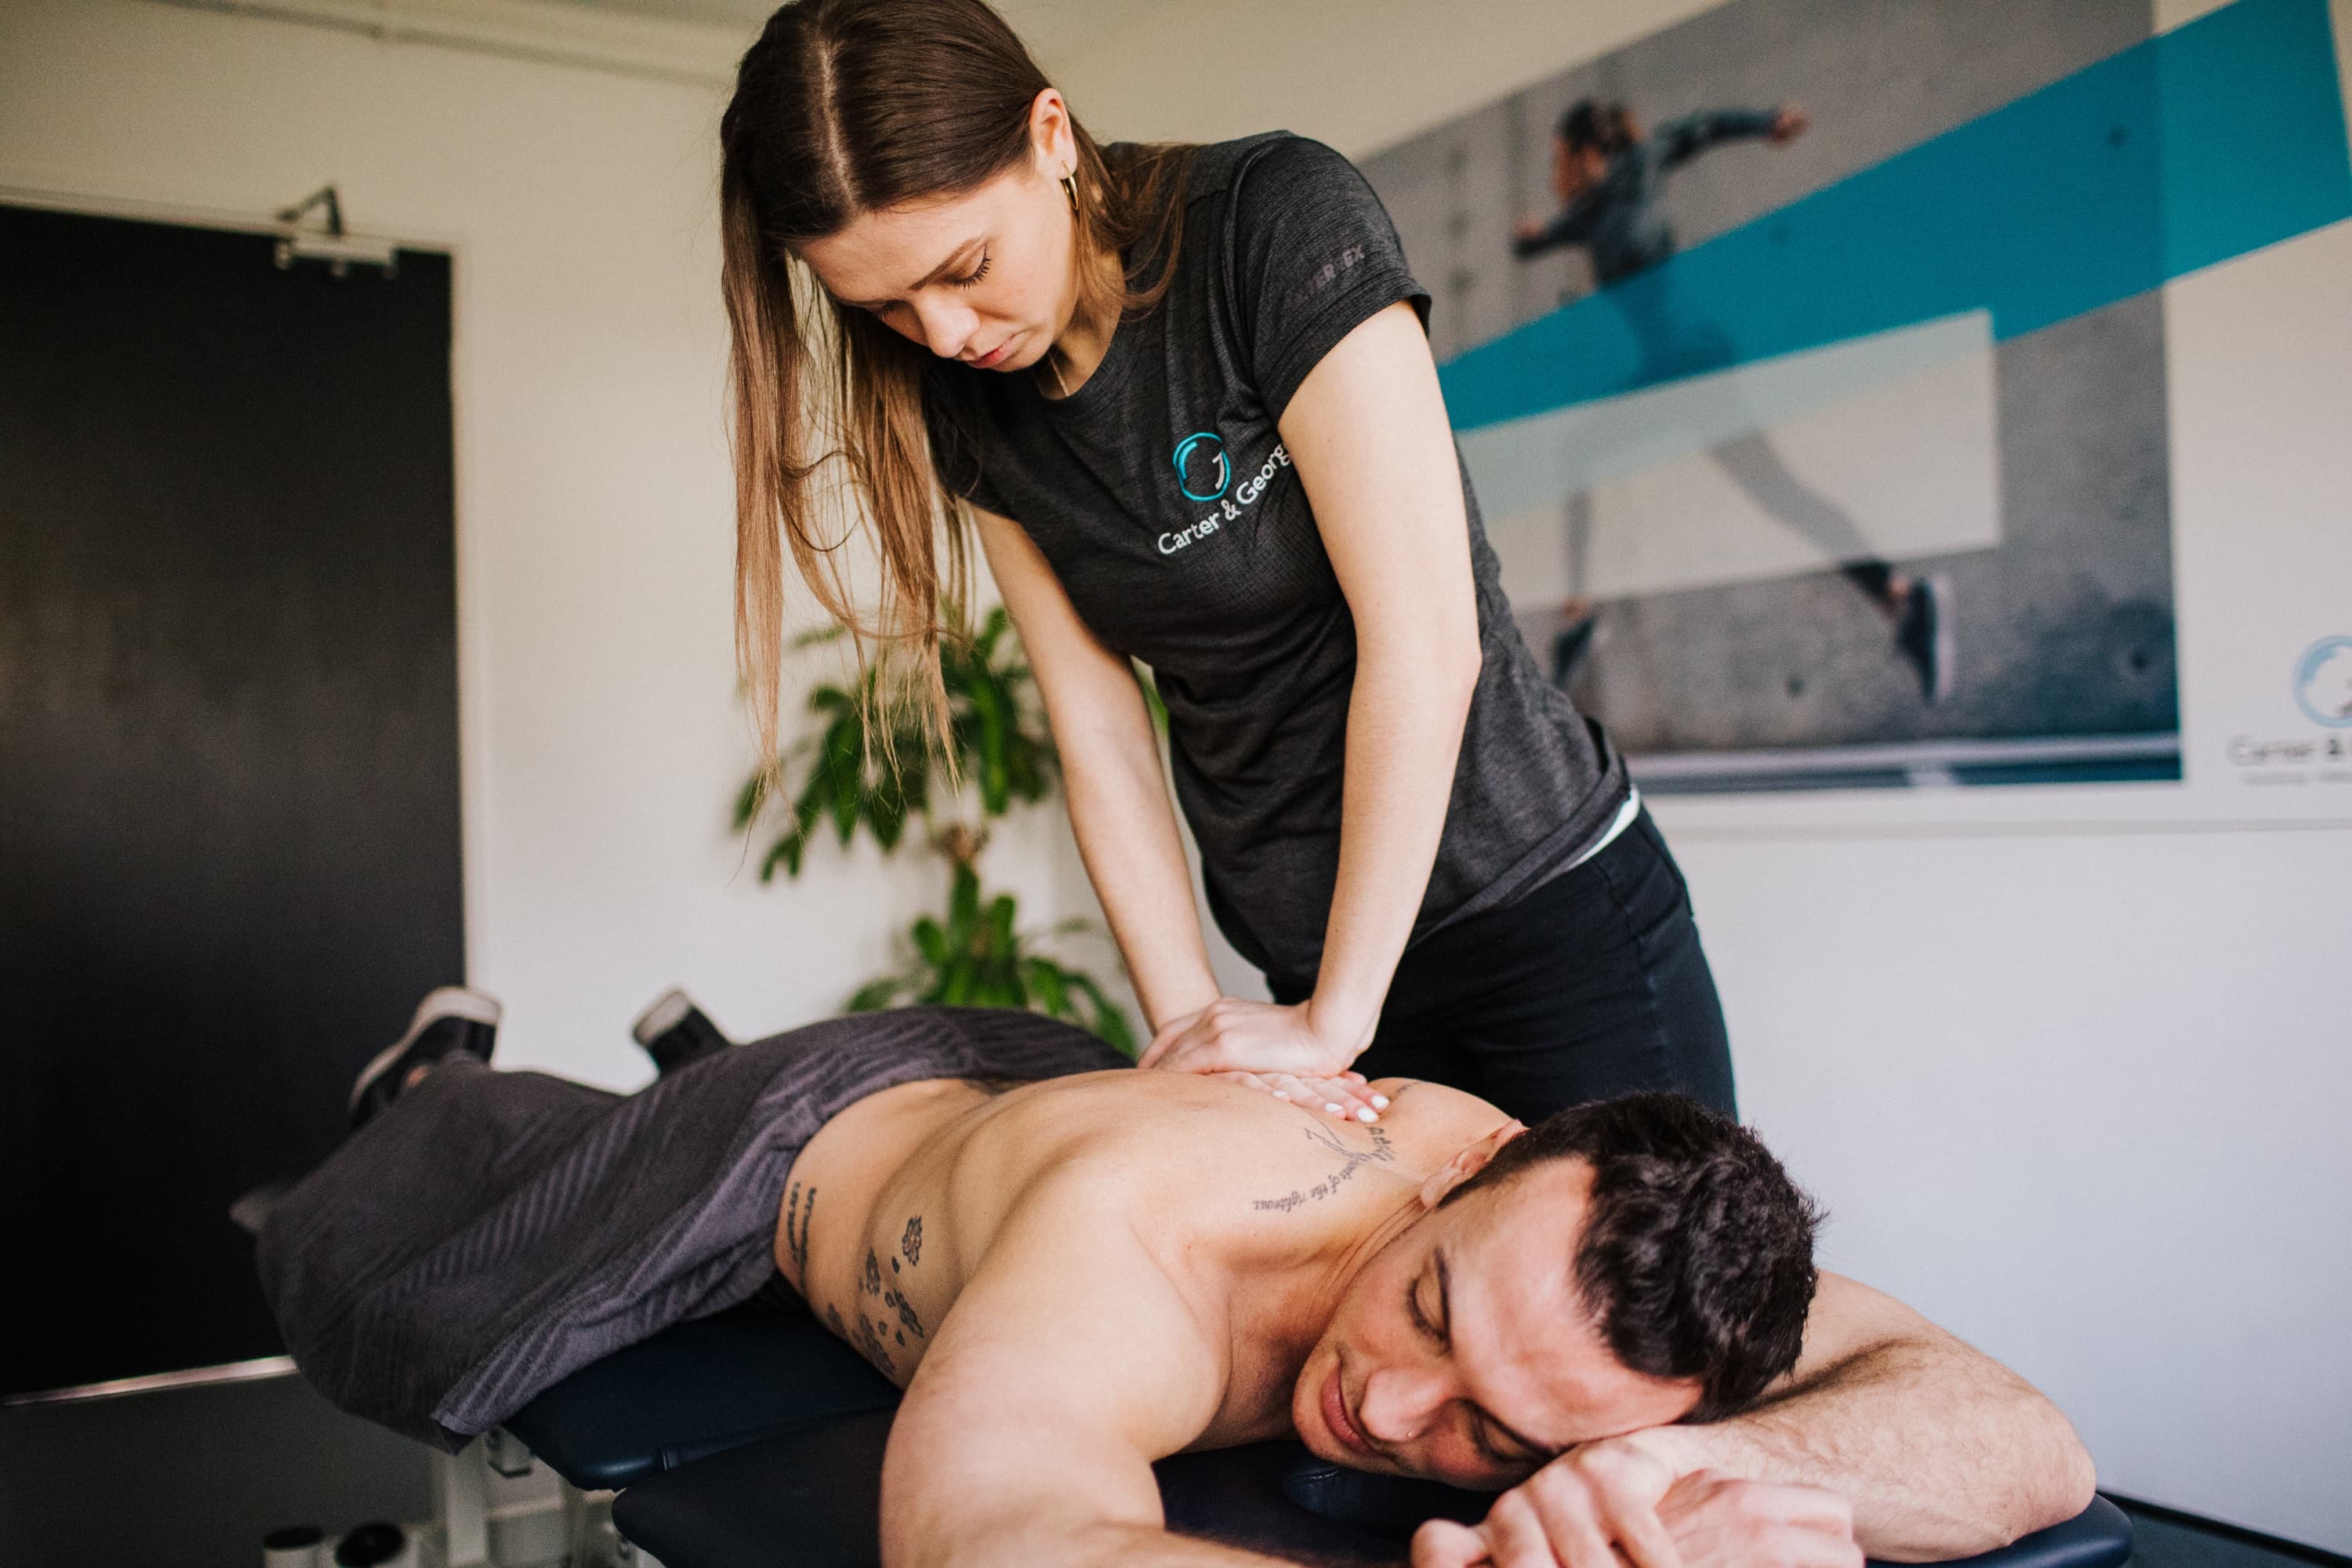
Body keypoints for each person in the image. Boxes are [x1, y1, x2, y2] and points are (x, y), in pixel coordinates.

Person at [718, 0, 1733, 1131]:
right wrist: (1191, 1039)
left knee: (1642, 1306)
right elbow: (1098, 729)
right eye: (888, 307)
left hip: (1543, 920)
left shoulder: (1270, 224)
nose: (947, 334)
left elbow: (1426, 636)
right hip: (1311, 970)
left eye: (965, 268)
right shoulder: (971, 399)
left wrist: (1334, 1018)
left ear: (1051, 135)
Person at [262, 990, 2096, 1568]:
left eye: (1497, 1430)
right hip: (789, 1142)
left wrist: (1686, 1498)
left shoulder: (1592, 1264)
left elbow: (2022, 1441)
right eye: (1430, 1311)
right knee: (416, 1260)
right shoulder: (1145, 1253)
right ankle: (447, 1077)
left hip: (1029, 1075)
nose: (1391, 1405)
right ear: (1465, 1165)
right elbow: (993, 1539)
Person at [1512, 99, 1952, 704]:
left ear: (1590, 151)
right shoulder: (1588, 214)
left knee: (1594, 454)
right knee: (1774, 492)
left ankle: (1578, 616)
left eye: (1561, 159)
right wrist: (1529, 238)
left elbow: (1701, 128)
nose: (1556, 175)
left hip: (1694, 360)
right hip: (1674, 368)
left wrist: (1766, 123)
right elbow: (1537, 245)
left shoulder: (1638, 164)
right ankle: (1900, 598)